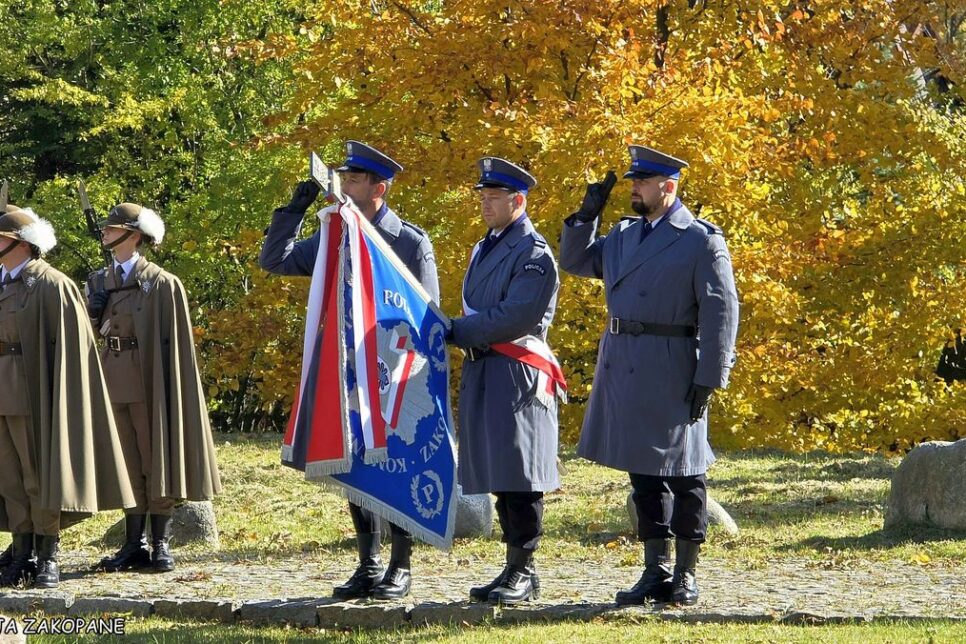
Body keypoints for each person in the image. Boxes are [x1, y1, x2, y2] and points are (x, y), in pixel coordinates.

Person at [559, 145, 739, 606]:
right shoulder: (622, 236)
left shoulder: (700, 239)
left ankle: (685, 572)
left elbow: (722, 312)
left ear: (668, 187)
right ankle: (654, 569)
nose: (633, 188)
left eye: (642, 181)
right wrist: (585, 217)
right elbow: (577, 263)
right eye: (633, 181)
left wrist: (711, 376)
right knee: (643, 475)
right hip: (624, 362)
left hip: (673, 362)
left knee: (685, 473)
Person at [260, 141, 439, 601]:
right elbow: (274, 261)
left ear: (379, 188)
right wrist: (294, 210)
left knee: (393, 463)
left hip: (394, 370)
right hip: (345, 366)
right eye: (343, 178)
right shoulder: (332, 232)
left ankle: (400, 565)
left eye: (354, 179)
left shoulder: (409, 240)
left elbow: (427, 313)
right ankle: (368, 561)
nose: (344, 185)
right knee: (354, 464)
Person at [445, 157, 564, 605]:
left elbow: (517, 316)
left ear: (518, 201)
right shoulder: (485, 248)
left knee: (522, 473)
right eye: (482, 197)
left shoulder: (533, 253)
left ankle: (525, 568)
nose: (485, 204)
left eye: (493, 198)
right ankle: (512, 567)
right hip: (484, 369)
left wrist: (456, 330)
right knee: (499, 470)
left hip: (517, 371)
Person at [0, 205, 134, 588]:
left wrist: (59, 398)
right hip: (2, 391)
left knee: (38, 476)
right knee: (8, 477)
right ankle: (20, 551)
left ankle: (47, 554)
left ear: (20, 243)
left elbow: (73, 351)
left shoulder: (51, 284)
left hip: (34, 393)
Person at [90, 203, 222, 574]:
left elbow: (174, 345)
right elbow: (88, 334)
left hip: (150, 382)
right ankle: (133, 543)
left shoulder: (162, 283)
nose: (104, 233)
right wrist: (92, 312)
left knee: (155, 458)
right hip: (111, 379)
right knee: (127, 462)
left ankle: (160, 542)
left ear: (134, 236)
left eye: (112, 228)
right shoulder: (99, 281)